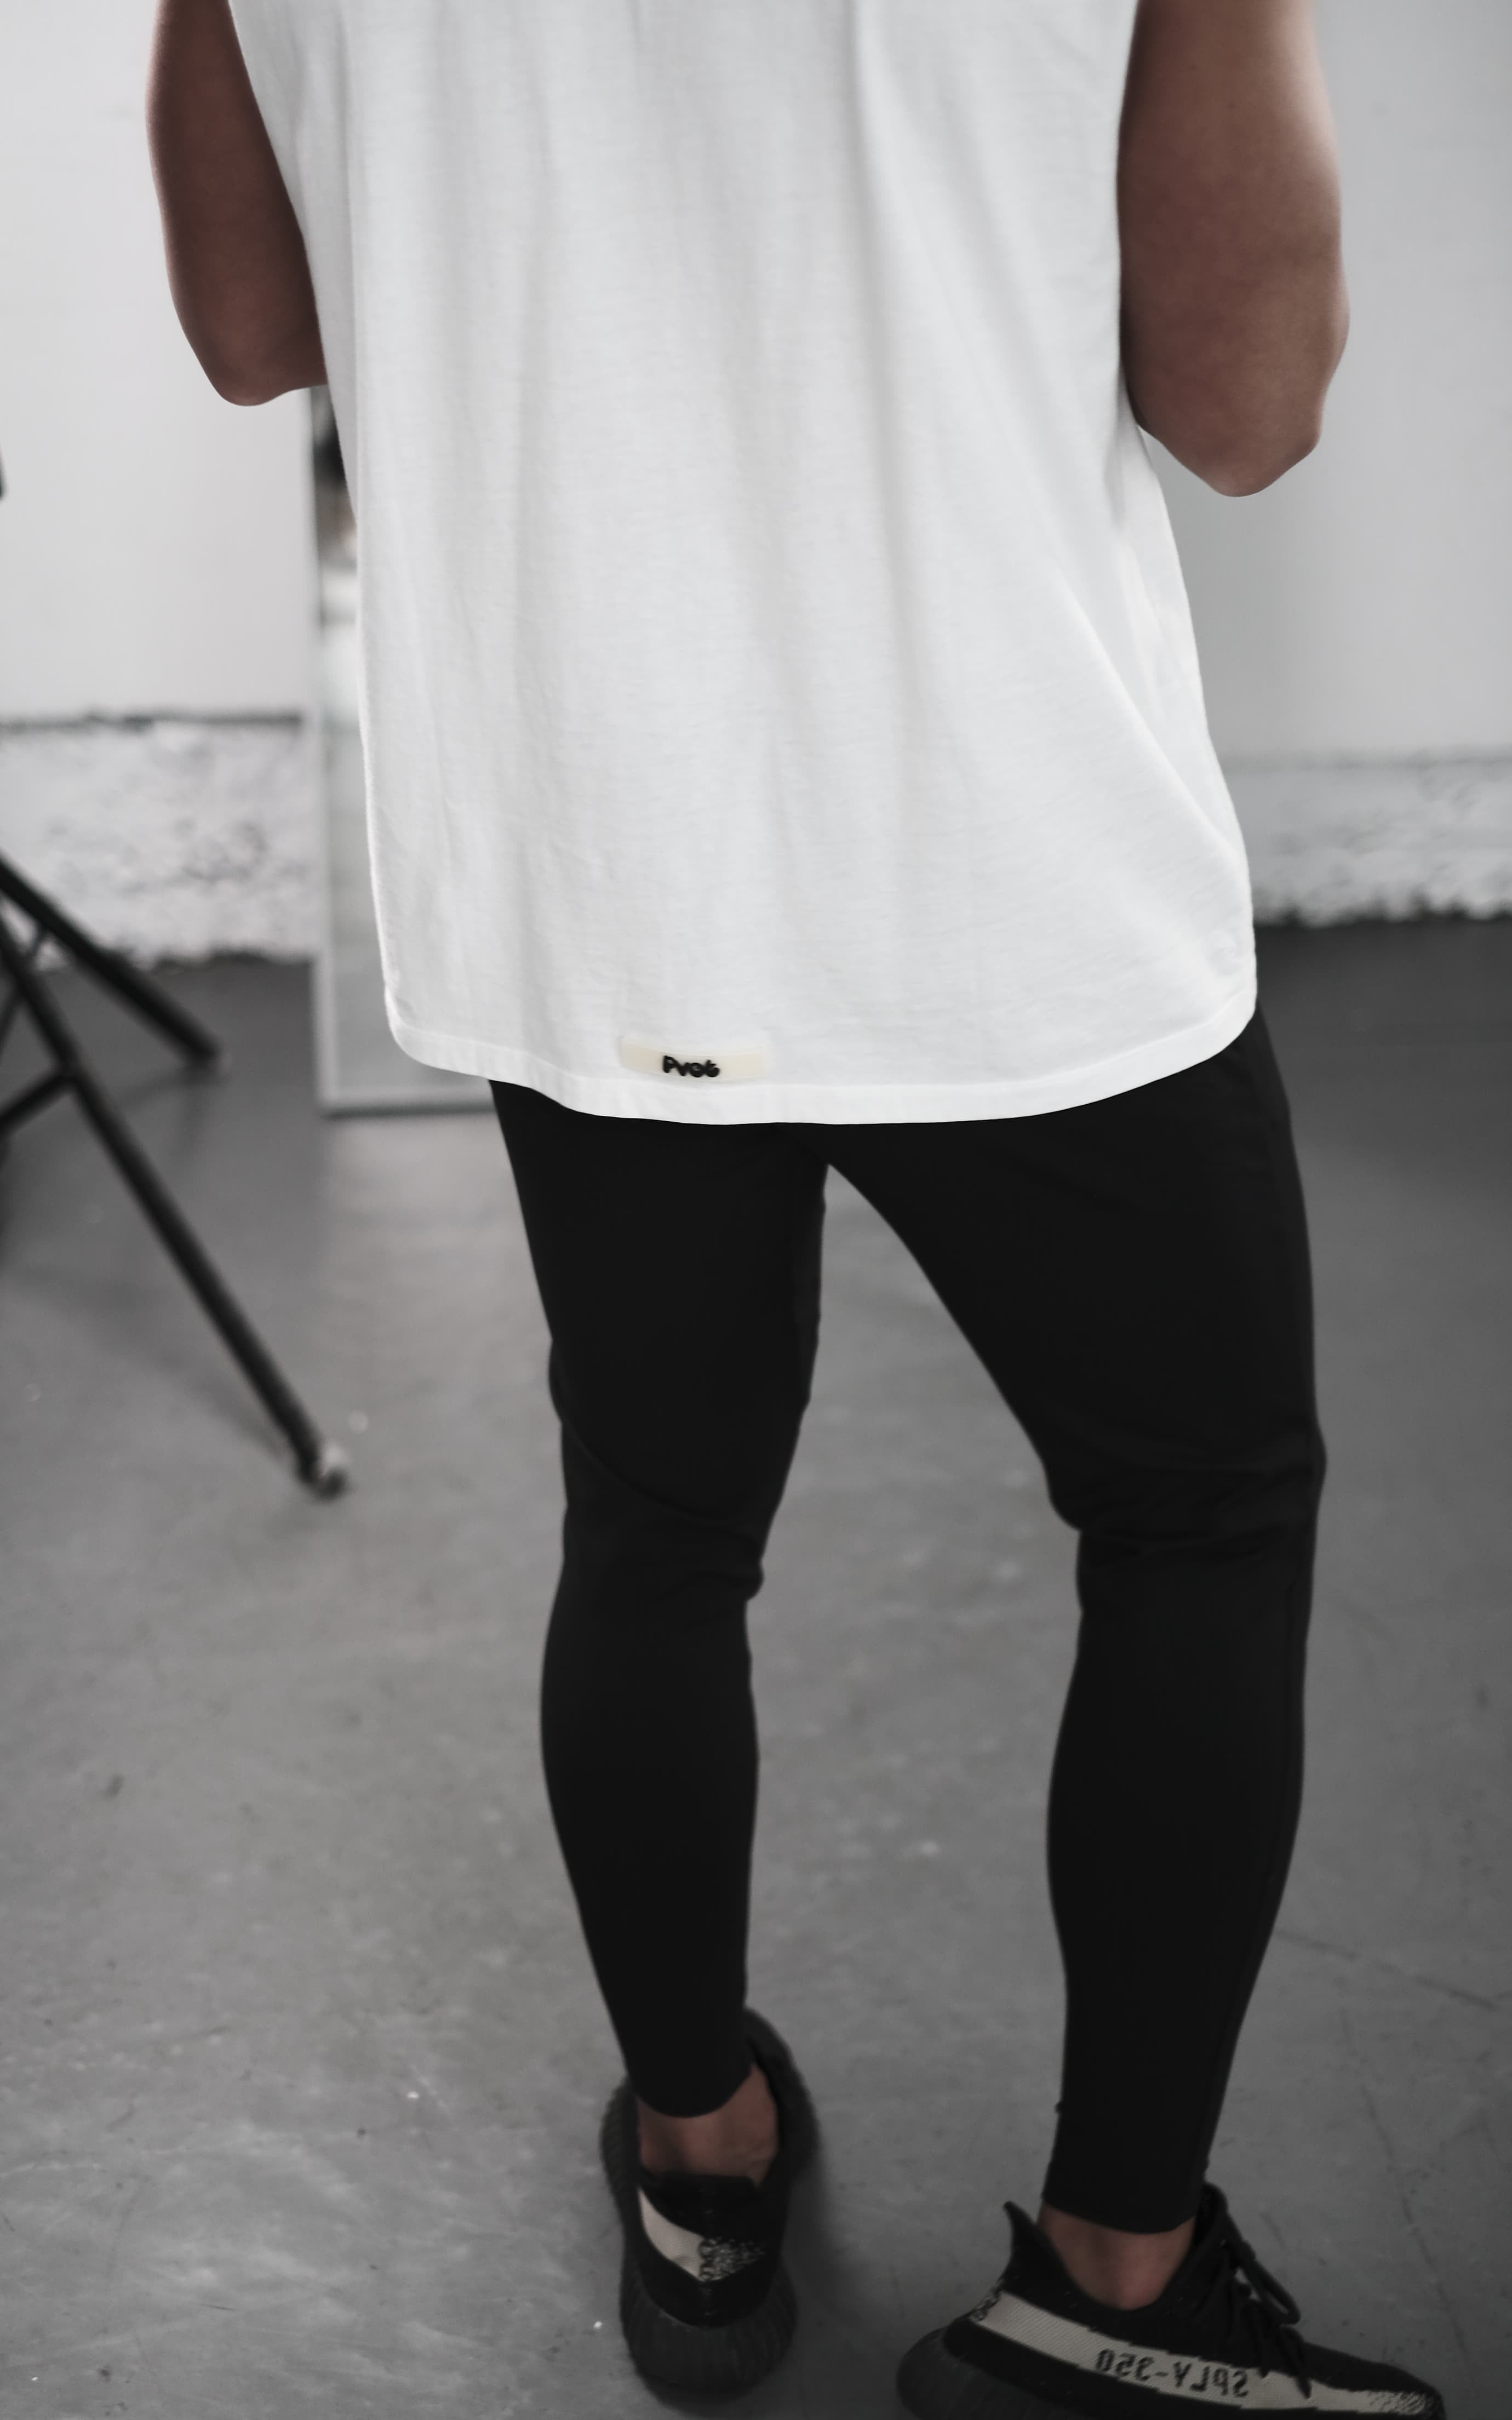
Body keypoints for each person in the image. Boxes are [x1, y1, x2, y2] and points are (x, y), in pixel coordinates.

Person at [148, 4, 1445, 2412]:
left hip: (597, 847)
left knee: (656, 1527)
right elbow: (1250, 403)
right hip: (1005, 850)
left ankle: (697, 2162)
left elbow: (249, 332)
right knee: (1199, 1515)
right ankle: (1116, 2288)